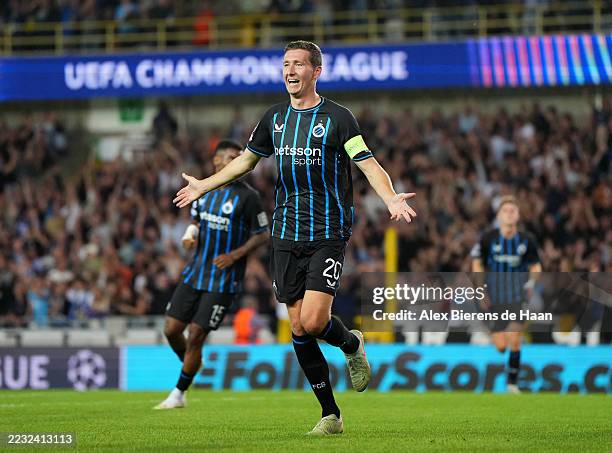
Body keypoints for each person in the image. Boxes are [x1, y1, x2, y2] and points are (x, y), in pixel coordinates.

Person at [173, 40, 417, 434]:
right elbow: (246, 161)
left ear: (315, 71)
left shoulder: (339, 118)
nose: (290, 70)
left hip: (327, 232)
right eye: (286, 64)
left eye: (299, 64)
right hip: (285, 234)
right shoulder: (274, 119)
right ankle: (330, 415)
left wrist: (390, 197)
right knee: (299, 328)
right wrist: (205, 185)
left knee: (315, 320)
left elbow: (368, 164)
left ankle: (351, 345)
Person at [155, 140, 269, 409]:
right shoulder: (203, 189)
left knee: (196, 335)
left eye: (240, 157)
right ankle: (192, 361)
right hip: (195, 272)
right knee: (171, 330)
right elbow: (196, 221)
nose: (239, 160)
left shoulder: (249, 197)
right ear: (217, 161)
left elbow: (263, 234)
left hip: (223, 278)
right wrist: (189, 235)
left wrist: (235, 255)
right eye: (232, 156)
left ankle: (179, 394)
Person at [471, 195, 542, 394]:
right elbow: (477, 262)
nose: (509, 213)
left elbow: (536, 265)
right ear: (499, 215)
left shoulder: (527, 240)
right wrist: (479, 287)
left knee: (514, 338)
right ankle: (508, 367)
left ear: (518, 215)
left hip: (517, 297)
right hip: (493, 299)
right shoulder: (488, 238)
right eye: (506, 211)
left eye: (513, 210)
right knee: (501, 346)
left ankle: (512, 384)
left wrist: (532, 280)